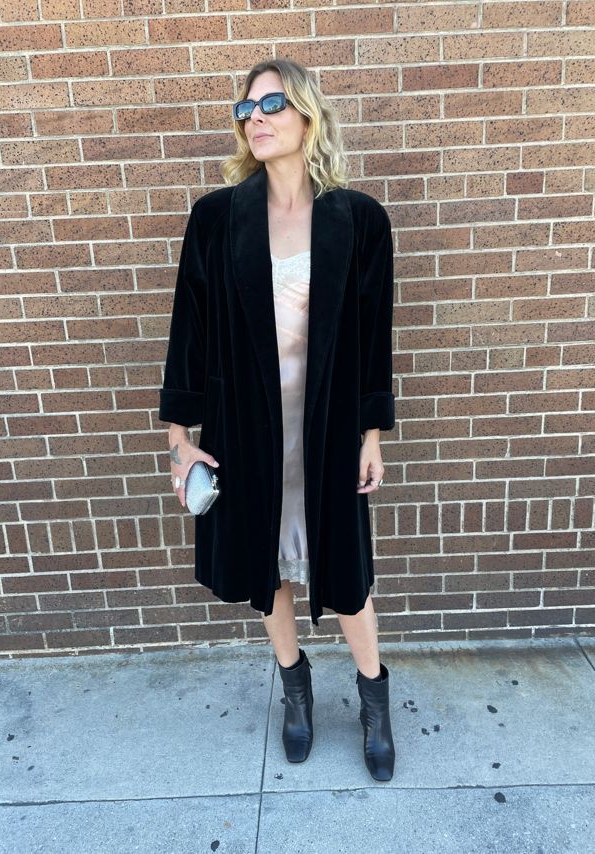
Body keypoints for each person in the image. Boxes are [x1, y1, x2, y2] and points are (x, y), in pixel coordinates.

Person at [159, 59, 396, 781]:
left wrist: (371, 435)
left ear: (307, 115)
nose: (255, 118)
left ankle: (375, 699)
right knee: (269, 564)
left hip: (327, 429)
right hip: (247, 428)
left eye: (272, 104)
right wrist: (180, 441)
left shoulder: (358, 220)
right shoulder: (217, 218)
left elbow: (373, 338)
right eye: (246, 108)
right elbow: (190, 331)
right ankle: (296, 691)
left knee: (346, 571)